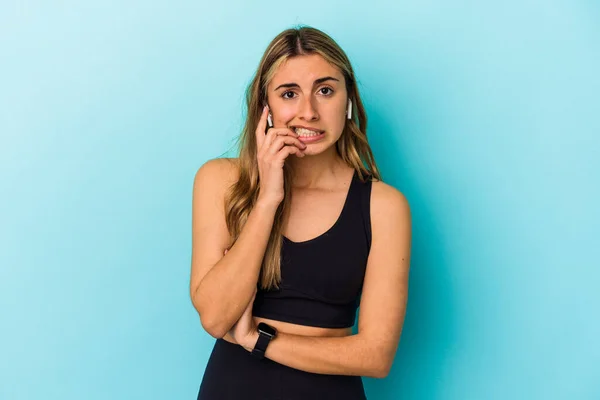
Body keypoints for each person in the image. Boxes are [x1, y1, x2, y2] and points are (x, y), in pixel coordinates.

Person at [190, 25, 411, 400]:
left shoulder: (383, 206)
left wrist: (256, 340)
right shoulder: (221, 181)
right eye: (289, 94)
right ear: (266, 107)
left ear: (349, 101)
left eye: (325, 91)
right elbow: (214, 316)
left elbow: (376, 356)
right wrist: (267, 199)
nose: (308, 112)